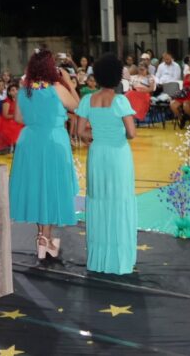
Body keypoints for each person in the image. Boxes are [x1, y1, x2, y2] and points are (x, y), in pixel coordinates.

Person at [10, 49, 79, 260]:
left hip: (30, 142)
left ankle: (42, 236)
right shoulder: (57, 88)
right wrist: (68, 81)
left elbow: (19, 118)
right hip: (53, 142)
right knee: (50, 189)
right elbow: (77, 106)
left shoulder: (25, 90)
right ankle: (45, 238)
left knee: (37, 188)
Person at [75, 54, 136, 275]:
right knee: (118, 202)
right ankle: (119, 259)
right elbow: (131, 133)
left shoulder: (86, 100)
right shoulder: (121, 101)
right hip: (118, 155)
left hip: (97, 154)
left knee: (98, 201)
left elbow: (80, 131)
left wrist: (96, 135)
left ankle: (99, 260)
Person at [0, 82, 25, 151]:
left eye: (17, 89)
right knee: (17, 128)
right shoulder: (7, 102)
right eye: (13, 90)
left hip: (17, 120)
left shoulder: (20, 100)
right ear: (9, 92)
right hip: (8, 121)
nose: (15, 92)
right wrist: (16, 116)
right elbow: (5, 115)